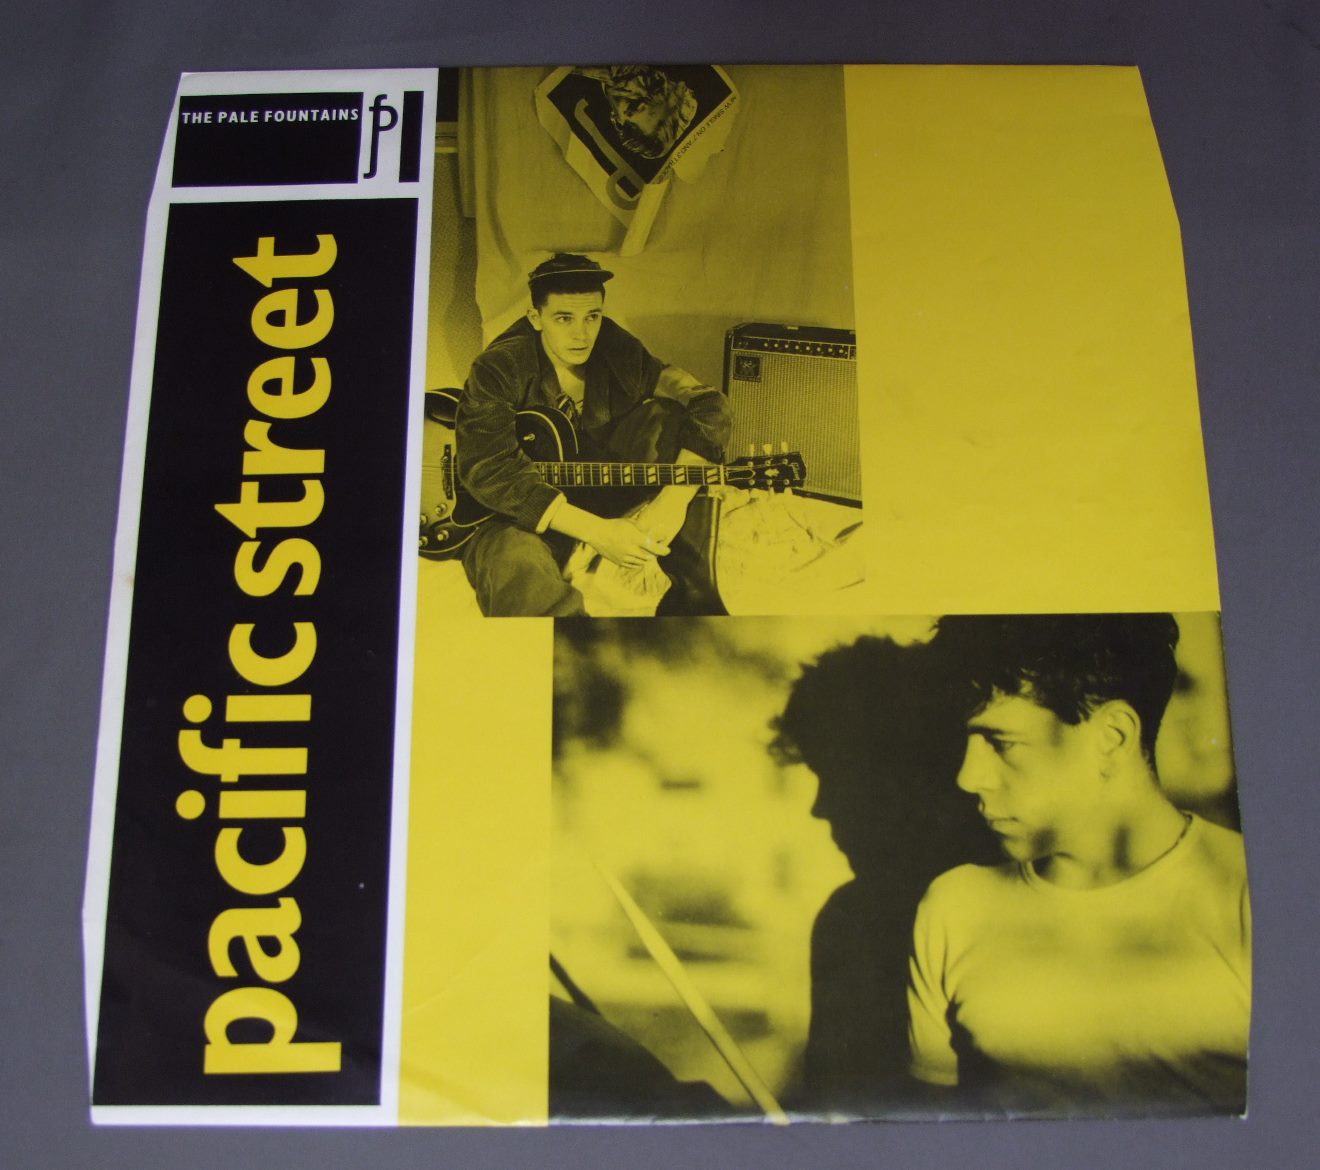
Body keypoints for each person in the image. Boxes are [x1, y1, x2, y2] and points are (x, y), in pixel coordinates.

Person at [909, 614, 1251, 1116]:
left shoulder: (1252, 893)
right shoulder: (952, 909)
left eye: (1001, 743)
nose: (968, 776)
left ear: (1112, 736)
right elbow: (934, 1133)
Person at [770, 637, 998, 1112]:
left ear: (903, 776)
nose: (820, 807)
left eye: (837, 776)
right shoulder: (850, 921)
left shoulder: (1009, 909)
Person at [456, 253, 733, 616]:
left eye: (592, 316)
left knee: (669, 418)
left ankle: (693, 595)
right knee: (514, 560)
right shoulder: (500, 365)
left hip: (593, 487)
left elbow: (709, 404)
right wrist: (597, 533)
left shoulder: (612, 343)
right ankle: (574, 641)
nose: (582, 333)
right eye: (564, 318)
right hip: (514, 508)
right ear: (535, 318)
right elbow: (488, 466)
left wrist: (671, 503)